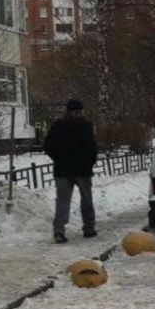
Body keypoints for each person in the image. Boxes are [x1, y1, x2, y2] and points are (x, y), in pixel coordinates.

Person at [43, 98, 99, 243]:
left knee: (64, 201)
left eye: (78, 111)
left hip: (64, 170)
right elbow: (92, 148)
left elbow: (48, 146)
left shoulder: (58, 126)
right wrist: (89, 162)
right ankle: (88, 227)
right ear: (69, 111)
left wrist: (59, 158)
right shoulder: (85, 126)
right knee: (84, 200)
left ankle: (60, 231)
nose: (77, 114)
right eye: (75, 111)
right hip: (80, 170)